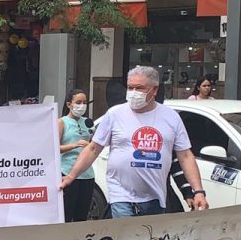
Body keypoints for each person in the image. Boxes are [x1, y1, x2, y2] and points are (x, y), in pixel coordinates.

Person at [61, 66, 208, 217]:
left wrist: (198, 191)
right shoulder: (115, 114)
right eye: (130, 88)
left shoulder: (171, 117)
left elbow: (185, 156)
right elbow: (93, 149)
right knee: (127, 233)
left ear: (154, 90)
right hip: (121, 194)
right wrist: (71, 176)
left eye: (139, 88)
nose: (133, 93)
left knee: (150, 237)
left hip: (155, 195)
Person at [58, 88, 95, 222]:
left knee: (82, 214)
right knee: (67, 212)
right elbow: (53, 148)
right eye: (78, 102)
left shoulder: (88, 122)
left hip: (87, 174)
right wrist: (73, 145)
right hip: (67, 171)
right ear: (69, 104)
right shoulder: (62, 122)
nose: (82, 106)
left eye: (84, 102)